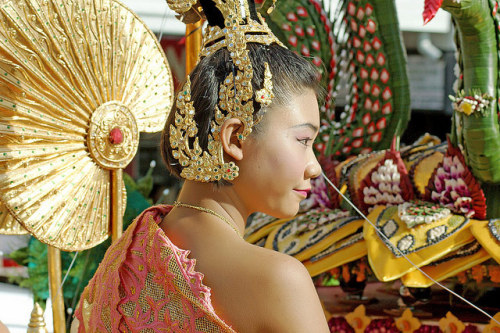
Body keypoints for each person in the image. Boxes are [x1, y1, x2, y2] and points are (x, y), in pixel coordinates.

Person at [73, 0, 330, 331]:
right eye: (303, 141)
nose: (315, 168)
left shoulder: (120, 259)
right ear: (235, 138)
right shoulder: (280, 280)